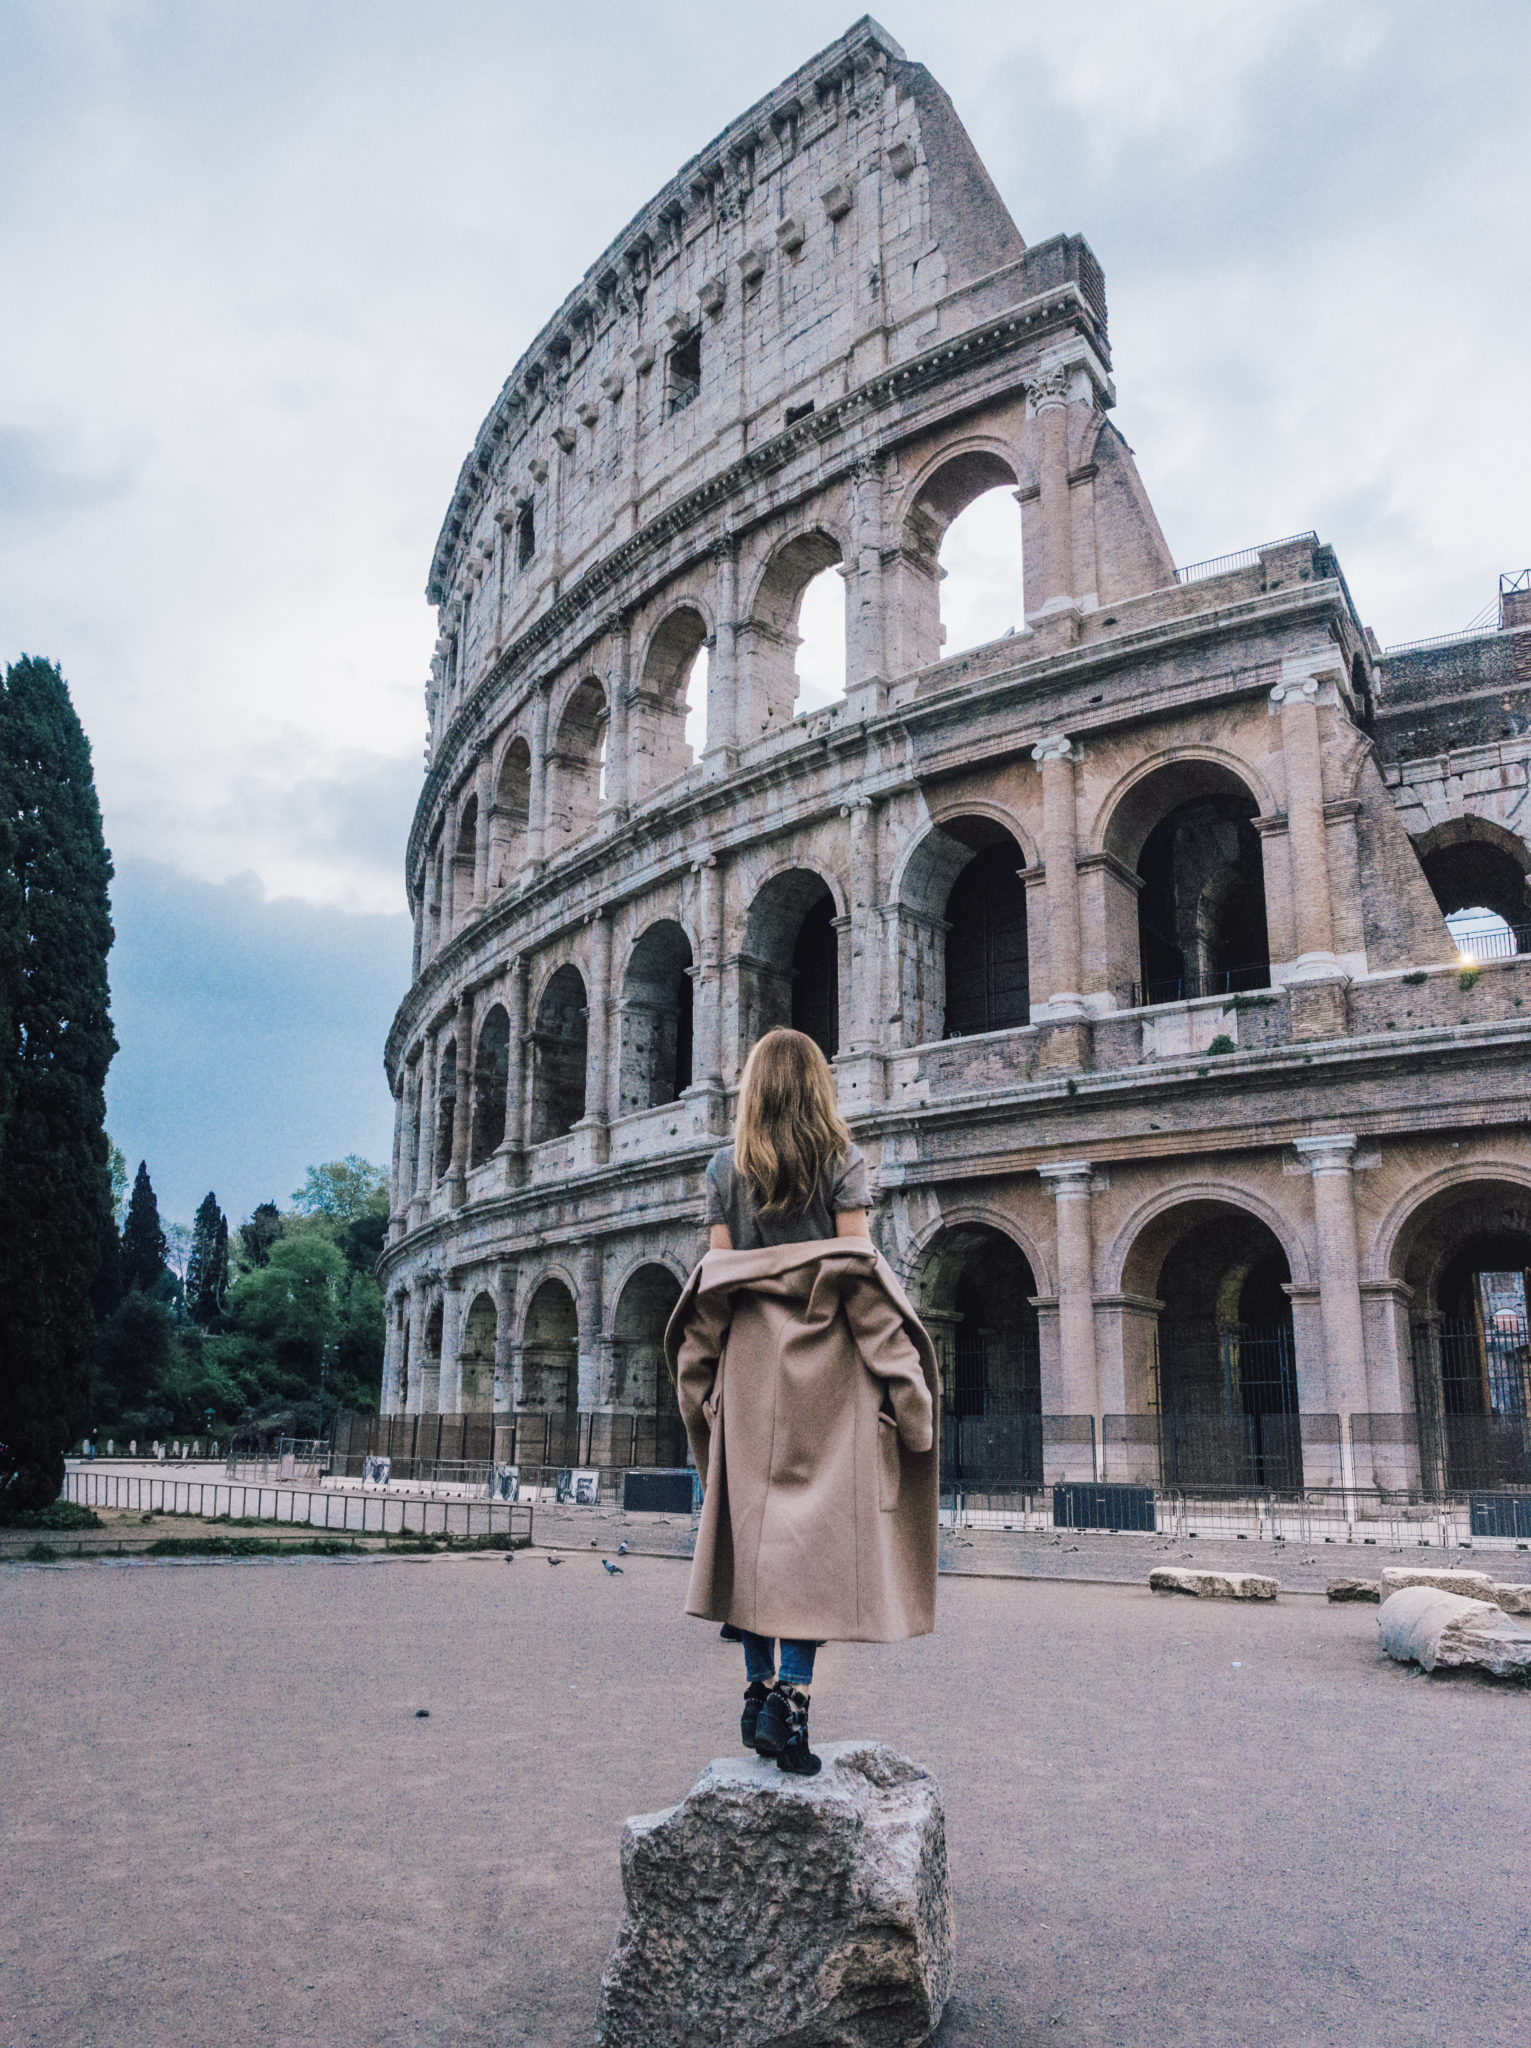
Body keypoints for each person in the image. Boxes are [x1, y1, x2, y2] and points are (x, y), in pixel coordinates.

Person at [665, 1028, 939, 1777]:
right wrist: (908, 1393)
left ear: (752, 1087)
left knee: (750, 1541)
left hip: (749, 1369)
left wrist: (699, 1391)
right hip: (827, 1372)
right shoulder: (841, 1162)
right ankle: (792, 1698)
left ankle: (756, 1689)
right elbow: (859, 1278)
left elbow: (715, 1290)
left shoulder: (723, 1169)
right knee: (810, 1546)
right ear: (819, 1086)